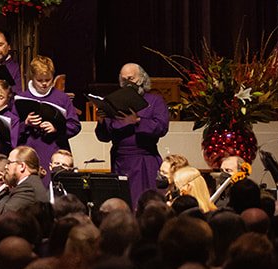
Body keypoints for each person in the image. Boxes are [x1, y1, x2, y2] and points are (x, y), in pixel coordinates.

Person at [95, 62, 169, 202]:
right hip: (120, 160)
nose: (128, 83)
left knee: (145, 202)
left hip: (144, 159)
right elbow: (104, 137)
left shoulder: (155, 100)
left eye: (131, 78)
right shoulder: (114, 101)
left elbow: (161, 127)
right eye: (124, 80)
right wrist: (101, 121)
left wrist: (137, 121)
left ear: (142, 79)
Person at [16, 55, 81, 168]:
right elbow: (12, 128)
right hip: (29, 151)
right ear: (32, 77)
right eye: (39, 80)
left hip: (54, 151)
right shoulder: (22, 97)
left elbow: (75, 125)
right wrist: (26, 123)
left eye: (48, 80)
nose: (44, 84)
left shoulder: (61, 98)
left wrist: (57, 128)